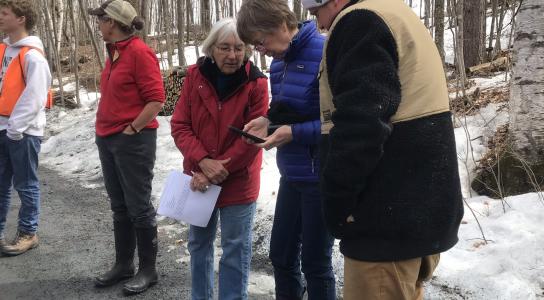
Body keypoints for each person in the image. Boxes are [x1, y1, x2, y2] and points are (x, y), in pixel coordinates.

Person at [301, 0, 465, 299]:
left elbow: (361, 124)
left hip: (386, 219)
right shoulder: (393, 11)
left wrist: (337, 202)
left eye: (317, 13)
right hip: (415, 212)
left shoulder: (358, 21)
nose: (320, 26)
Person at [237, 1, 336, 299]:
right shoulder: (279, 63)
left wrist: (293, 133)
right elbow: (286, 111)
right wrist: (266, 121)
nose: (259, 50)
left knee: (316, 264)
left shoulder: (325, 52)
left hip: (321, 177)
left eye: (260, 41)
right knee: (280, 256)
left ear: (280, 24)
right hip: (291, 175)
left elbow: (341, 123)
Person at [170, 18, 269, 300]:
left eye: (239, 48)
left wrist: (215, 169)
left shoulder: (257, 84)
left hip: (238, 180)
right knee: (198, 245)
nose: (232, 55)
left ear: (247, 51)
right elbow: (180, 125)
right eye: (224, 48)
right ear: (211, 49)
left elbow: (252, 138)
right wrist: (202, 161)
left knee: (235, 248)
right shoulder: (193, 76)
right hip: (198, 178)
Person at [88, 0, 165, 295]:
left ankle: (148, 270)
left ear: (113, 22)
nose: (98, 24)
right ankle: (123, 265)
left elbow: (157, 99)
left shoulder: (140, 53)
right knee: (119, 205)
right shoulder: (115, 53)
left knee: (138, 206)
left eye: (101, 20)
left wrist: (133, 128)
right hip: (108, 138)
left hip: (133, 141)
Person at [0, 0, 51, 256]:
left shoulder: (32, 56)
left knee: (25, 183)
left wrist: (15, 129)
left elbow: (34, 97)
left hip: (23, 132)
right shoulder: (3, 50)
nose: (0, 16)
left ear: (21, 19)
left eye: (4, 13)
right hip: (2, 128)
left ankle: (28, 233)